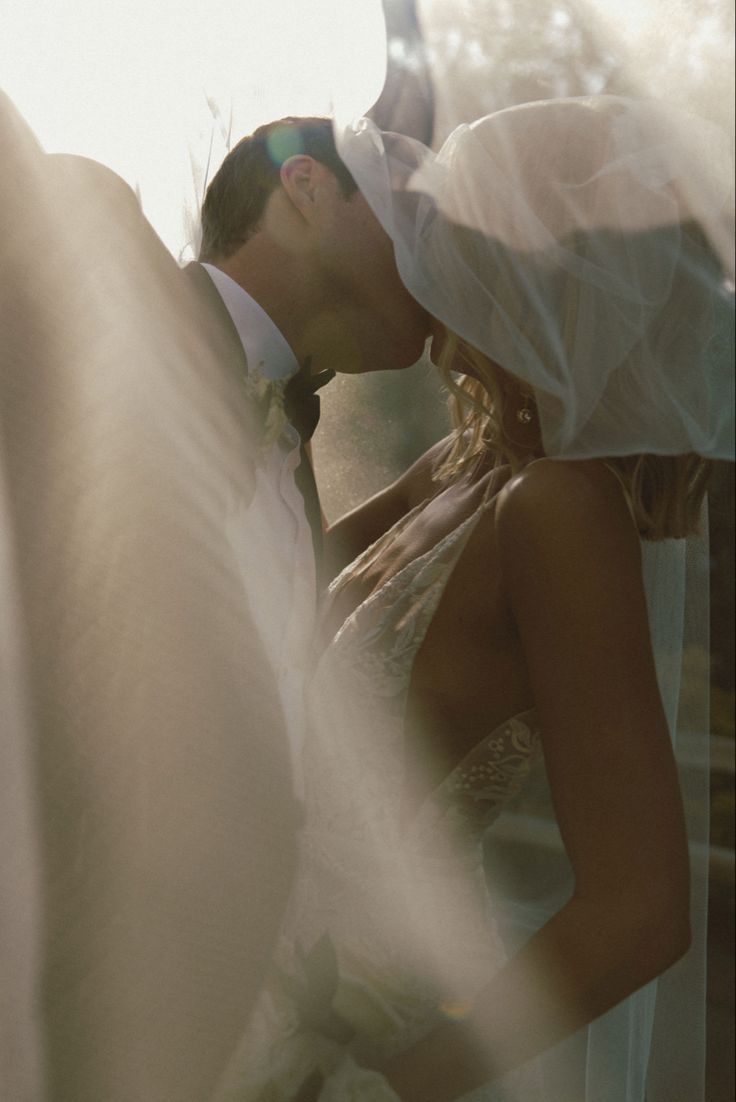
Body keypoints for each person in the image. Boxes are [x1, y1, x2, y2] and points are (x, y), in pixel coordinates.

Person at [219, 96, 733, 1101]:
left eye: (457, 227)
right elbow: (266, 599)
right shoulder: (468, 464)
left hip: (335, 1031)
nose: (426, 249)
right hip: (245, 956)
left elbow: (640, 909)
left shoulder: (559, 514)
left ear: (545, 275)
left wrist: (388, 1085)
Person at [0, 100, 429, 1102]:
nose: (436, 256)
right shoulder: (97, 342)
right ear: (307, 190)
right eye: (409, 212)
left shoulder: (288, 432)